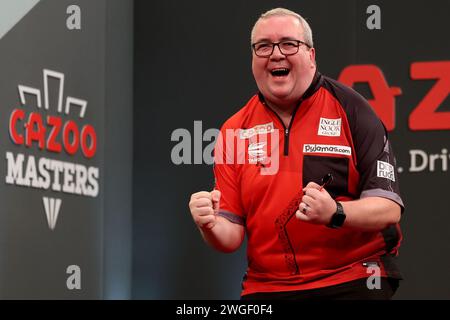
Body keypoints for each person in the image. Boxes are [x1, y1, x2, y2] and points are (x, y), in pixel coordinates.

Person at [188, 7, 404, 300]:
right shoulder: (234, 129)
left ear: (311, 56)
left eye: (289, 44)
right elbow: (230, 237)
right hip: (267, 287)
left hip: (352, 277)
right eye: (263, 46)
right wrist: (209, 224)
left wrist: (335, 213)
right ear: (253, 59)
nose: (276, 54)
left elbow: (388, 207)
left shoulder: (352, 109)